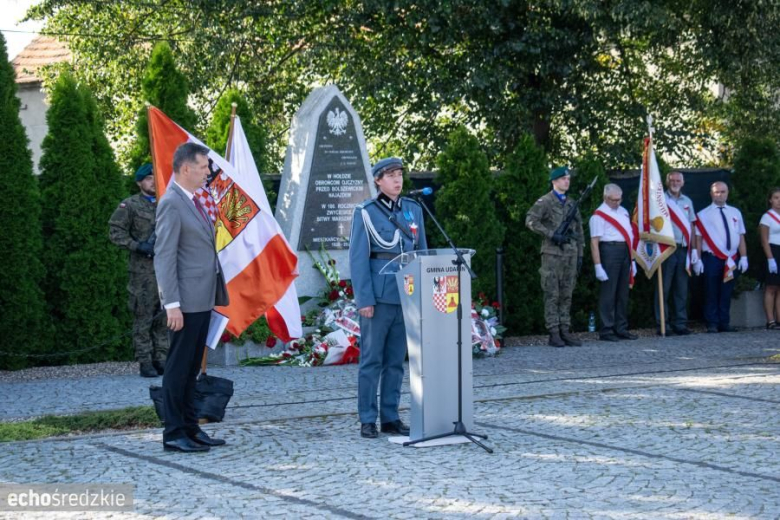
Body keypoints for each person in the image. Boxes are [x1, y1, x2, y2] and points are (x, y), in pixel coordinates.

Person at [154, 143, 229, 453]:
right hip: (183, 302)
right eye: (203, 167)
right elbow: (164, 256)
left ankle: (190, 426)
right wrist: (171, 303)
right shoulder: (172, 203)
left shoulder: (194, 201)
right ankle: (173, 432)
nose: (207, 172)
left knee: (191, 370)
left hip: (201, 298)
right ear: (186, 168)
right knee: (178, 368)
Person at [349, 157, 427, 439]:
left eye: (400, 175)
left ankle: (390, 417)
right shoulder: (366, 212)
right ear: (378, 181)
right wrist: (364, 300)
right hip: (379, 298)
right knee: (371, 361)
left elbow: (422, 254)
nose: (397, 180)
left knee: (395, 361)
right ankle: (367, 418)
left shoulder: (413, 210)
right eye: (391, 175)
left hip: (405, 296)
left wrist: (420, 296)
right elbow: (358, 260)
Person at [109, 163, 169, 377]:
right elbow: (115, 233)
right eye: (148, 178)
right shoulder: (130, 206)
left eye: (155, 177)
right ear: (139, 182)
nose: (153, 182)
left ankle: (161, 358)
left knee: (164, 316)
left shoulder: (166, 203)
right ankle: (145, 361)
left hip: (165, 271)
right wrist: (137, 246)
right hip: (142, 273)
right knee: (143, 316)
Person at [525, 166, 584, 347]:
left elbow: (579, 231)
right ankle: (554, 331)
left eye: (568, 178)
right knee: (552, 293)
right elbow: (530, 221)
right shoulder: (546, 201)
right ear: (555, 181)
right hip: (552, 255)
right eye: (563, 178)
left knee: (567, 293)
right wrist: (551, 234)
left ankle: (565, 330)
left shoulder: (571, 203)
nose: (567, 181)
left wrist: (580, 253)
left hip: (570, 254)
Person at [693, 181, 748, 333]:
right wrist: (697, 259)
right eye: (717, 192)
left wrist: (744, 257)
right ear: (711, 194)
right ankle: (712, 323)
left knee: (726, 291)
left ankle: (724, 322)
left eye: (723, 192)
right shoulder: (703, 214)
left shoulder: (735, 212)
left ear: (728, 193)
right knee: (711, 291)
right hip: (712, 258)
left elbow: (741, 236)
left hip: (731, 258)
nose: (720, 194)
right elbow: (698, 238)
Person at [589, 184, 638, 342]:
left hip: (625, 251)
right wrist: (598, 266)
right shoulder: (598, 215)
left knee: (623, 292)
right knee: (608, 293)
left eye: (619, 199)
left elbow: (629, 235)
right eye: (613, 200)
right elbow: (594, 242)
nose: (617, 202)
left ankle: (621, 328)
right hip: (609, 251)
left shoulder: (623, 211)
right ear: (605, 198)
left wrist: (633, 260)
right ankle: (606, 330)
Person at [653, 171, 698, 336]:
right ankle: (663, 324)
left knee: (681, 289)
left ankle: (680, 323)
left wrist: (693, 249)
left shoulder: (688, 202)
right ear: (667, 182)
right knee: (663, 289)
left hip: (684, 249)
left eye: (678, 180)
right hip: (666, 248)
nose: (675, 182)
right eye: (672, 180)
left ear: (683, 182)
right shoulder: (659, 200)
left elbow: (692, 226)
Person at [759, 187, 780, 329]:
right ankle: (770, 320)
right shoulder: (767, 217)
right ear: (770, 200)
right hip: (773, 250)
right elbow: (764, 239)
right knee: (771, 287)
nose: (779, 201)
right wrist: (770, 258)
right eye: (776, 198)